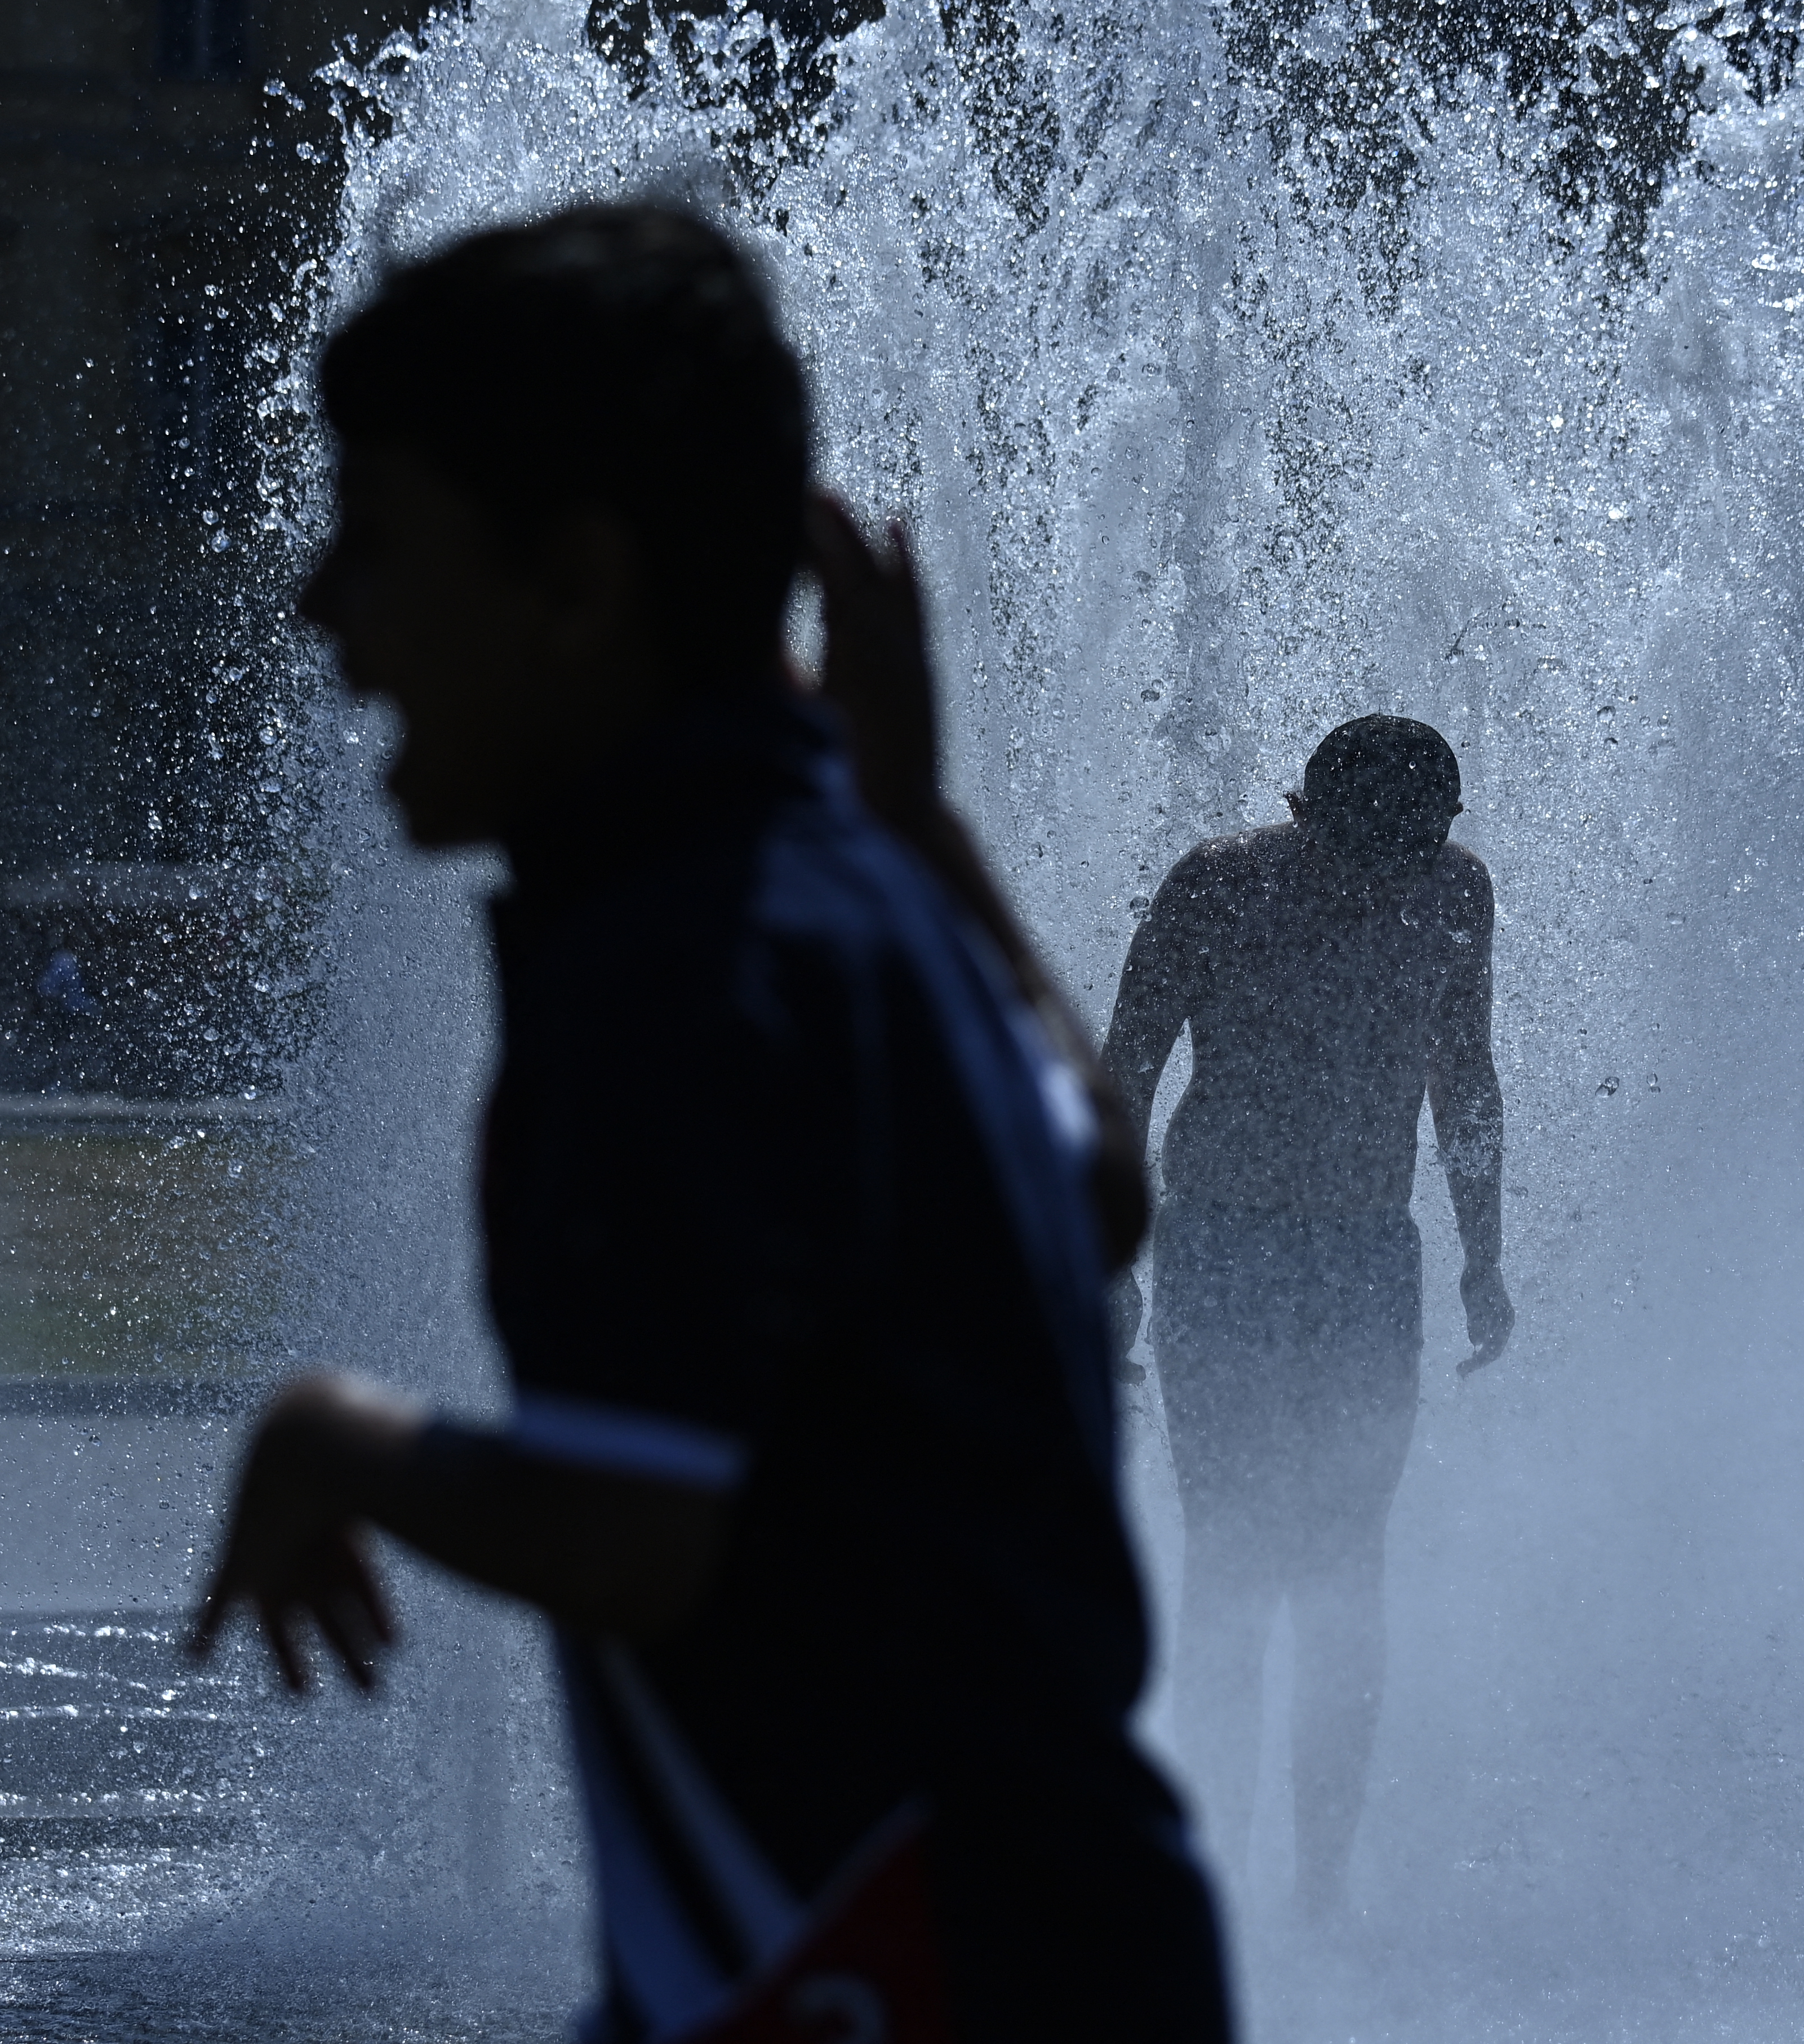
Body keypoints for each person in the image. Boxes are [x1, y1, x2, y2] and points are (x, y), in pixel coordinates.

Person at [186, 203, 1230, 2044]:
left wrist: (334, 1433)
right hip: (1056, 1938)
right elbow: (1103, 1177)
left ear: (575, 586)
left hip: (873, 1967)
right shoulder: (849, 881)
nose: (321, 613)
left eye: (374, 546)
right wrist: (930, 821)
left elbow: (636, 1533)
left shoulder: (678, 960)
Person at [1100, 715, 1513, 1921]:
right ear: (1309, 819)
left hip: (1367, 1260)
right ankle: (1217, 1870)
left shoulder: (1453, 889)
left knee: (1343, 1569)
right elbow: (1125, 1067)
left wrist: (1485, 1252)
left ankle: (1320, 1887)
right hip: (1221, 1248)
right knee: (1232, 1557)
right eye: (1363, 857)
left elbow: (1466, 1073)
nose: (1383, 887)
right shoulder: (1220, 886)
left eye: (1412, 856)